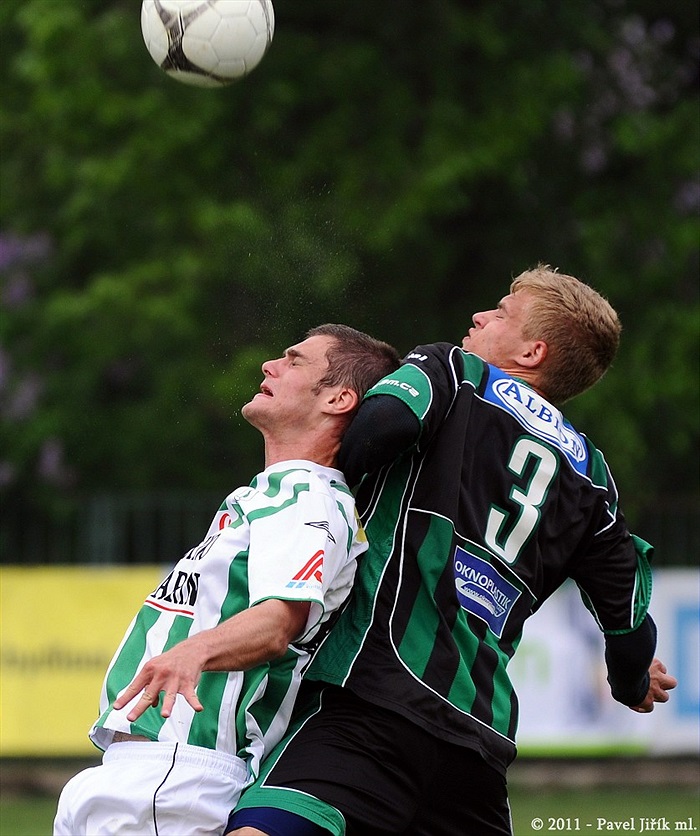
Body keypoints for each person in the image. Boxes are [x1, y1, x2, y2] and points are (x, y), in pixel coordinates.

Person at [226, 265, 678, 836]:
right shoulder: (593, 477)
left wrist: (317, 492)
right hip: (477, 742)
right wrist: (632, 680)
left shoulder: (457, 372)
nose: (479, 316)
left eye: (501, 313)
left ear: (533, 351)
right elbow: (629, 621)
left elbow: (379, 427)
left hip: (374, 697)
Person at [53, 324, 401, 836]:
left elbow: (278, 622)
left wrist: (192, 653)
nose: (270, 365)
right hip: (138, 774)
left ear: (338, 399)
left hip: (179, 775)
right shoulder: (269, 494)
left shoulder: (308, 496)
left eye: (295, 360)